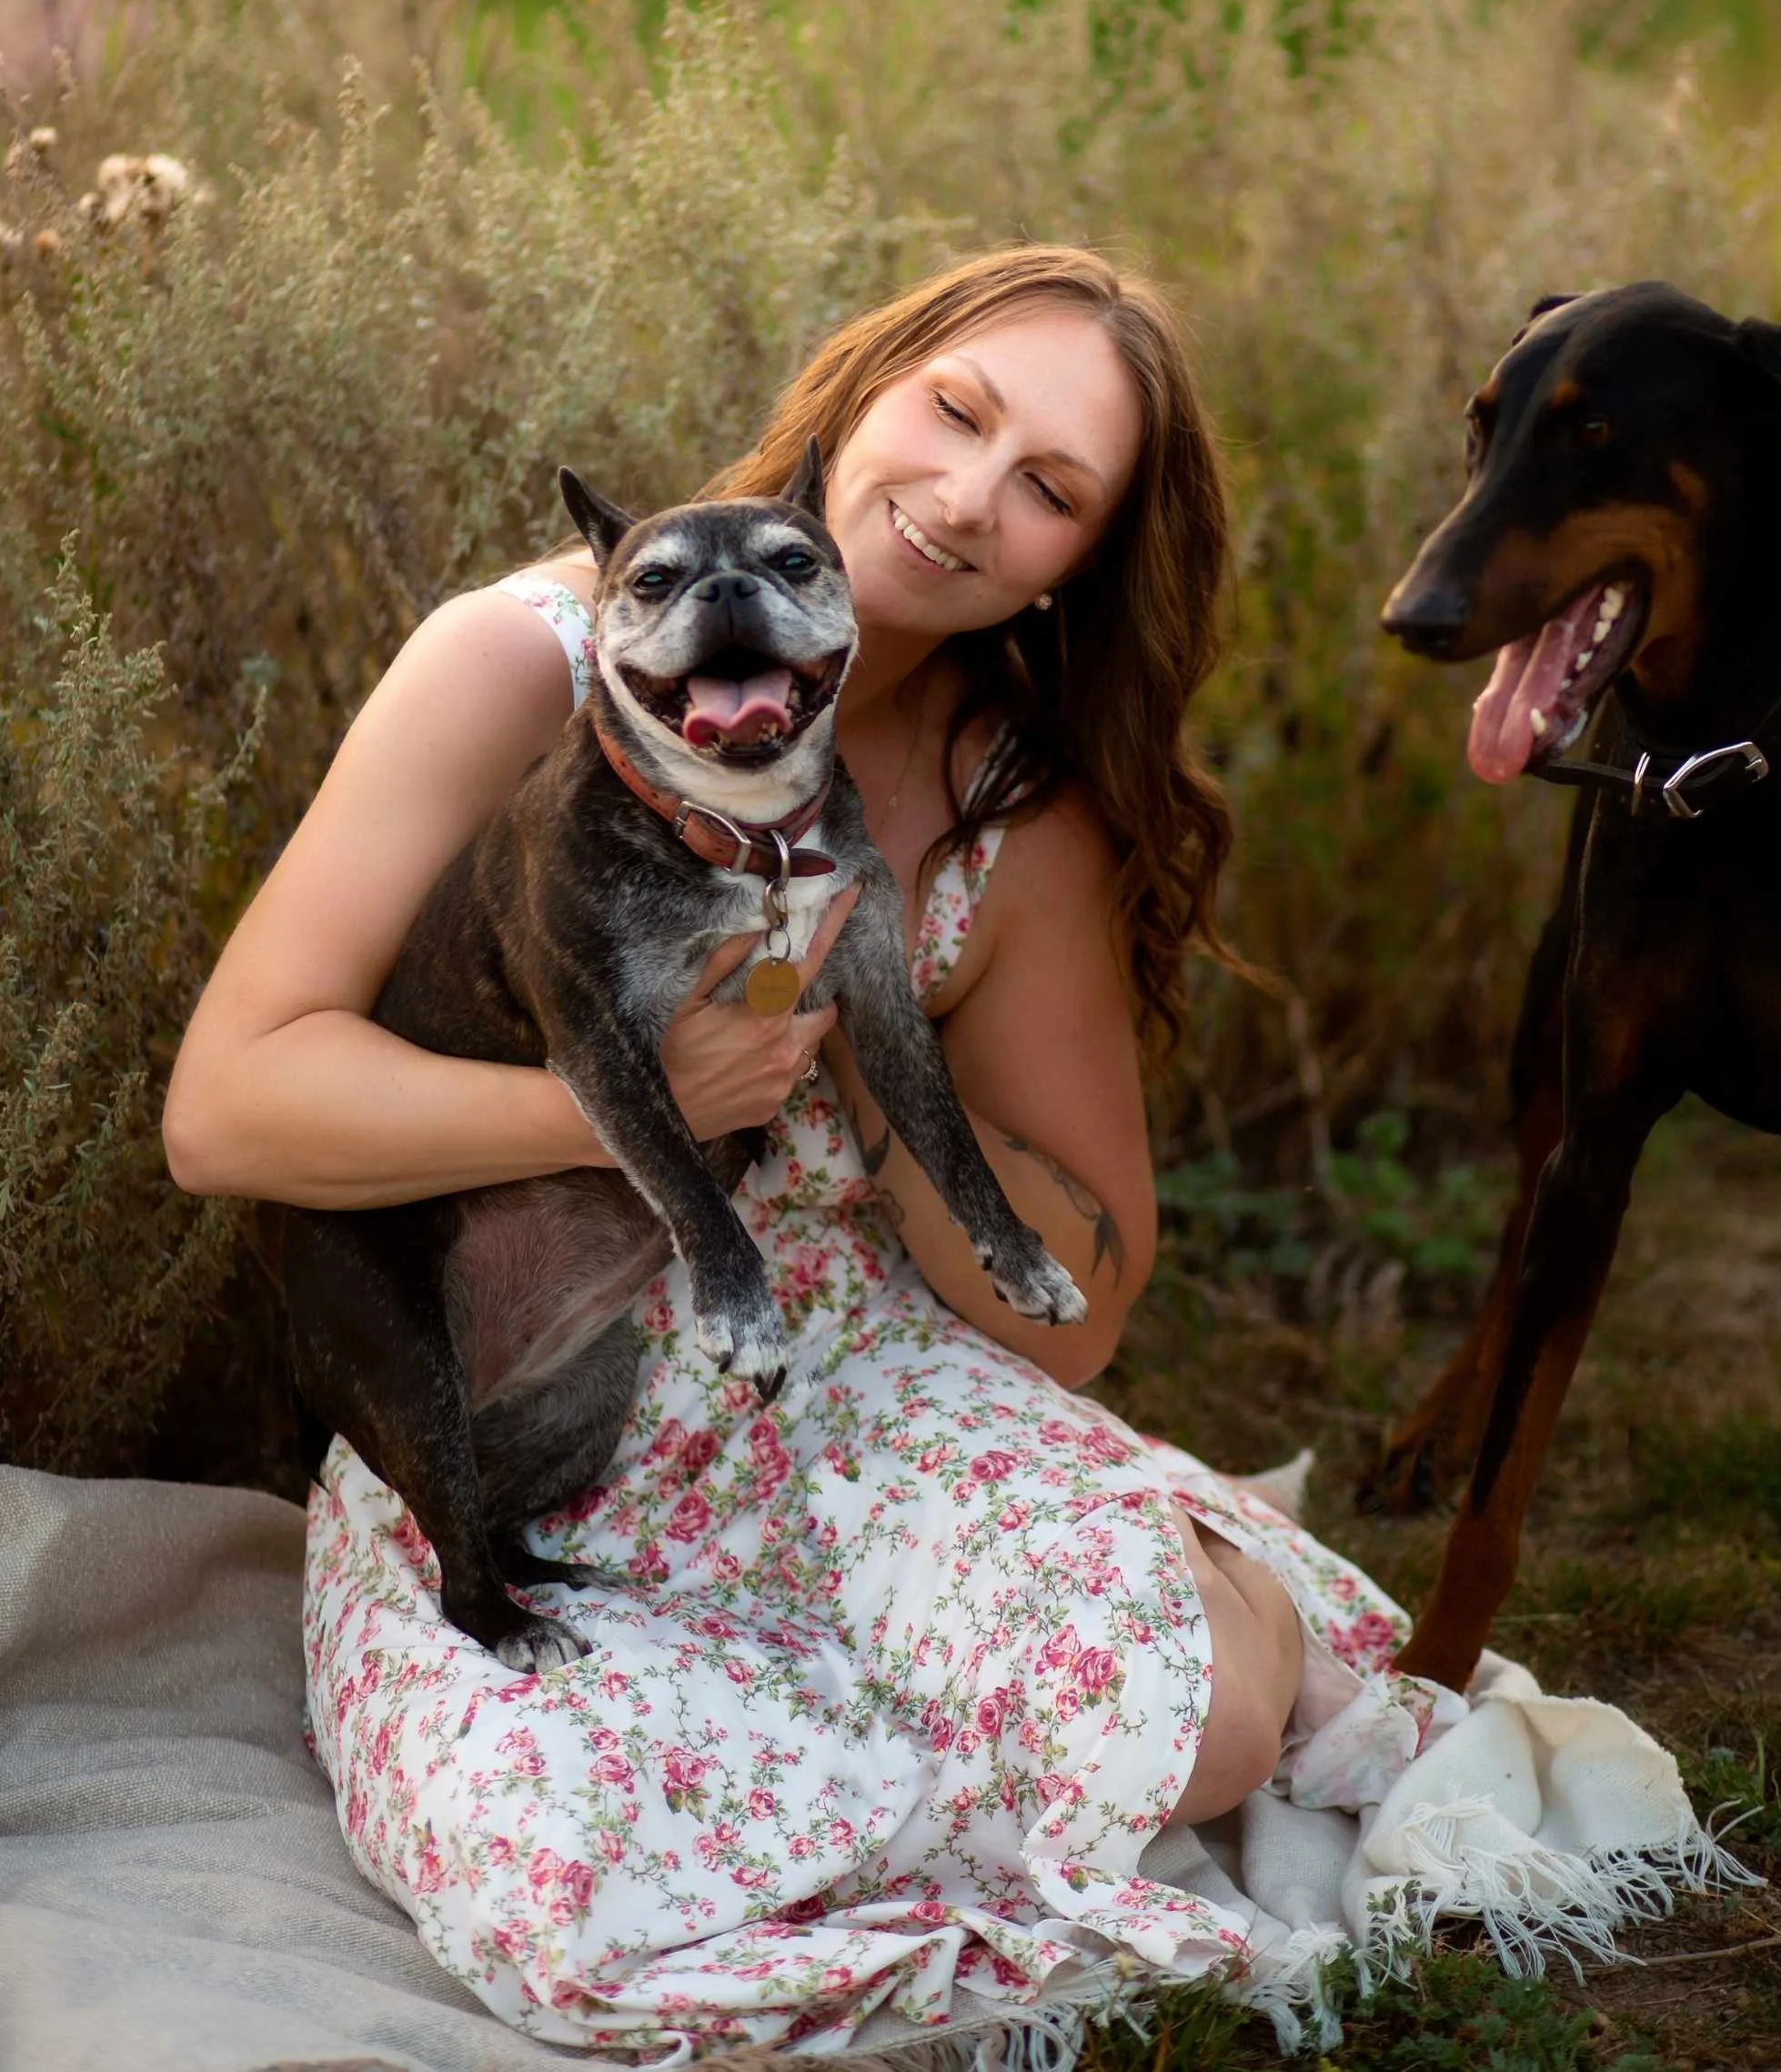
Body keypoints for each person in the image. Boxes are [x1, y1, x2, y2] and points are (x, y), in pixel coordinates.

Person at [157, 247, 1661, 2055]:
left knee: (1203, 1723)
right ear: (862, 384)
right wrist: (631, 1110)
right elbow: (227, 1103)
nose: (964, 499)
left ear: (1078, 566)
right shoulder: (526, 660)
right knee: (553, 1881)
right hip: (531, 1409)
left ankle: (1050, 1636)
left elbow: (1073, 1309)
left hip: (856, 1388)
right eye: (954, 413)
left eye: (1049, 492)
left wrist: (863, 1005)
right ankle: (884, 1750)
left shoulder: (1007, 810)